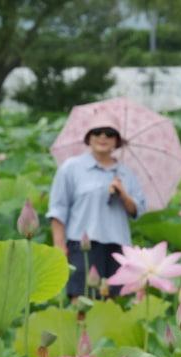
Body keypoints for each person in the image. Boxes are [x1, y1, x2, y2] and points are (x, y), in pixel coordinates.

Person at [47, 121, 146, 298]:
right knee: (82, 299)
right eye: (97, 132)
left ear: (117, 141)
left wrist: (123, 193)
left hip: (118, 246)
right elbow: (58, 209)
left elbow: (137, 211)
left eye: (109, 133)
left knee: (114, 305)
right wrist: (59, 246)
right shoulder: (71, 168)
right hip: (82, 245)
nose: (103, 137)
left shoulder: (126, 173)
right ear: (88, 138)